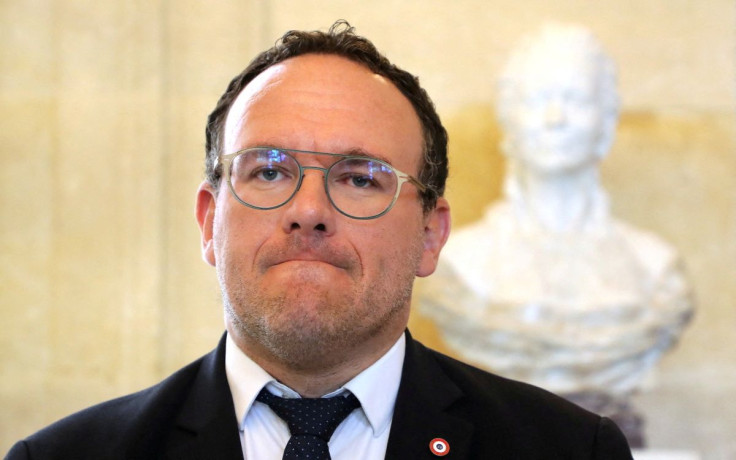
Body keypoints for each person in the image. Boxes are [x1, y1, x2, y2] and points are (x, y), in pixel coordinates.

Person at [5, 21, 633, 459]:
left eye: (359, 178)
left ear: (429, 234)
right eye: (269, 171)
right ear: (207, 221)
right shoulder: (65, 456)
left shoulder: (569, 451)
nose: (308, 211)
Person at [419, 23, 693, 447]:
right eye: (537, 100)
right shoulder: (462, 263)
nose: (555, 119)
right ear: (509, 117)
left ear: (606, 117)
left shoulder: (655, 268)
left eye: (576, 99)